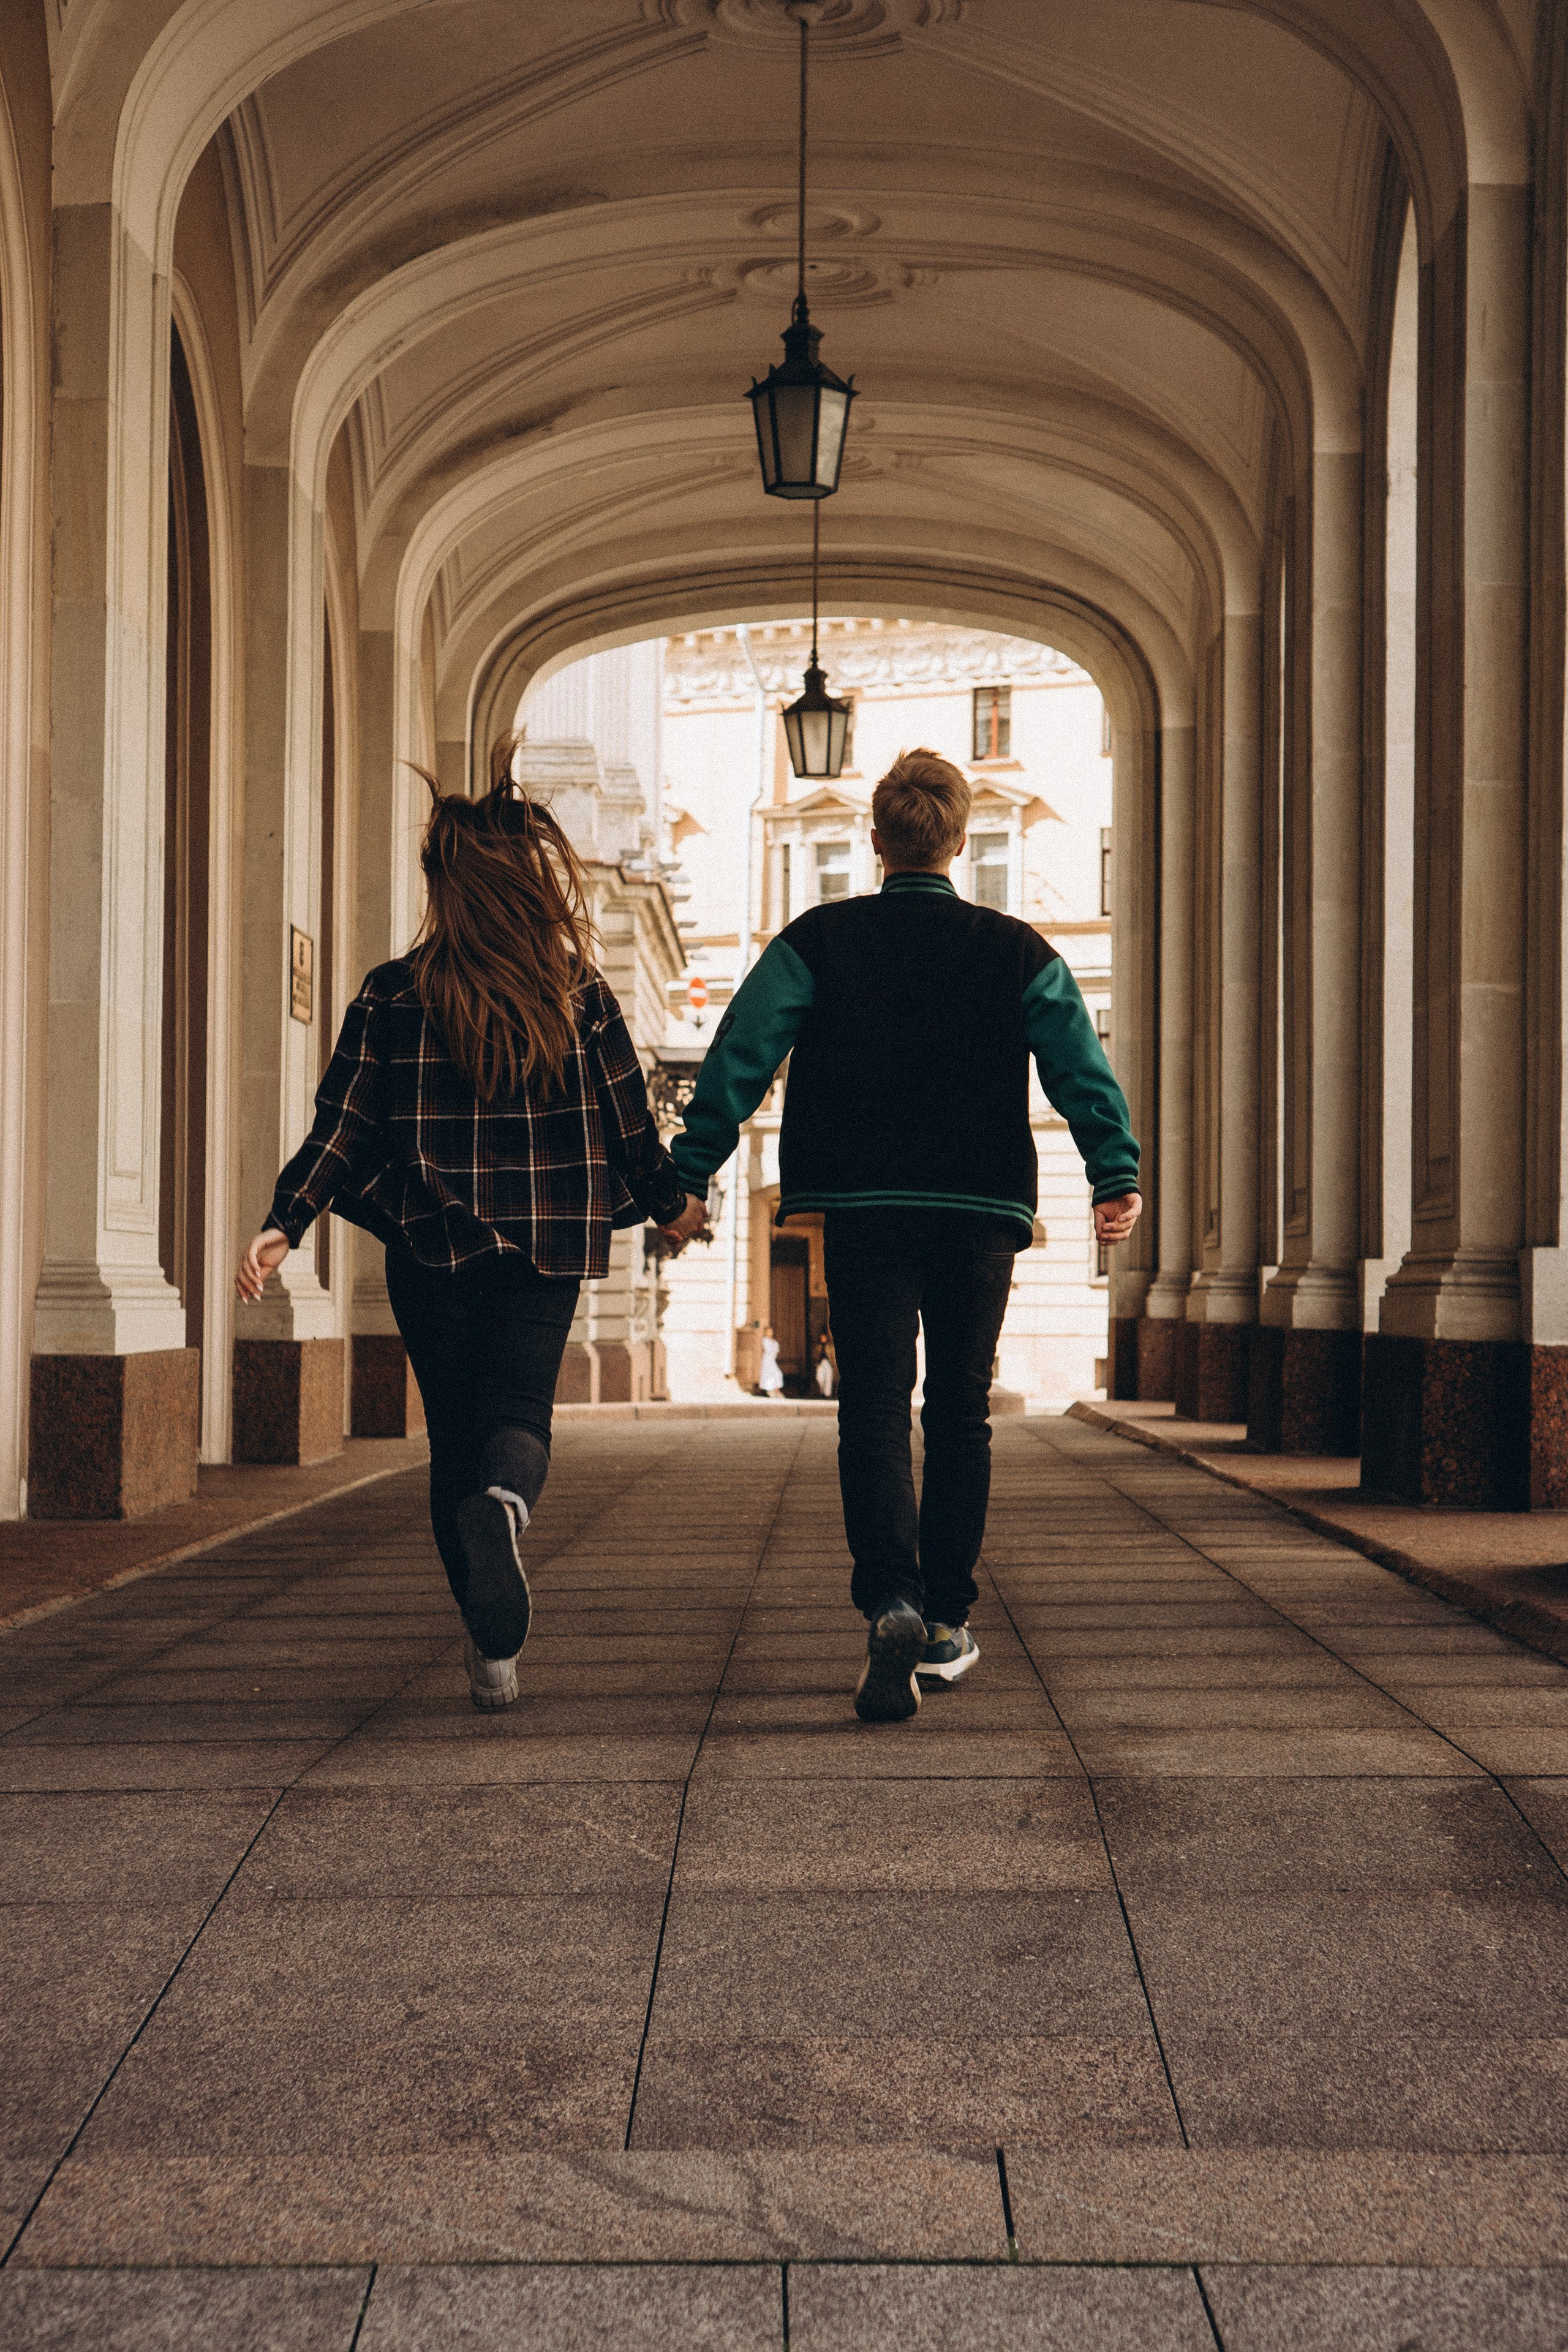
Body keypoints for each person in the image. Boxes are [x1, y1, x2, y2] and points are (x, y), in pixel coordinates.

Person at [671, 747, 1140, 1724]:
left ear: (875, 840)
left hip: (866, 1201)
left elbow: (740, 1058)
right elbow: (1078, 1065)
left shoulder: (818, 941)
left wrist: (690, 1169)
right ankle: (943, 1621)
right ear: (961, 842)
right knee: (961, 1409)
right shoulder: (1021, 952)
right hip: (979, 1210)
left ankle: (889, 1594)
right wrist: (1113, 1169)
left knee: (875, 1404)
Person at [236, 739, 707, 1710]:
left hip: (431, 1247)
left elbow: (346, 1125)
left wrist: (289, 1219)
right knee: (517, 1423)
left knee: (453, 1439)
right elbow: (630, 1133)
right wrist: (675, 1208)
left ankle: (492, 1654)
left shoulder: (392, 994)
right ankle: (509, 1508)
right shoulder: (579, 995)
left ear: (445, 890)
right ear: (527, 885)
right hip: (547, 1251)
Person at [758, 1325, 785, 1400]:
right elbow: (769, 1350)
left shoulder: (773, 1341)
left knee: (777, 1374)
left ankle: (776, 1390)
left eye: (771, 1331)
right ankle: (769, 1390)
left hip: (772, 1360)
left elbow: (776, 1350)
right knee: (769, 1374)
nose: (770, 1333)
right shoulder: (765, 1340)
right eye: (768, 1331)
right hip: (767, 1360)